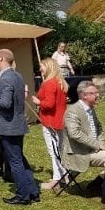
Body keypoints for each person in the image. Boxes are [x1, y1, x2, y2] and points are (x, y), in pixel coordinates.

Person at [0, 48, 39, 205]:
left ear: (3, 59)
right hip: (17, 124)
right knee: (20, 159)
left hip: (8, 126)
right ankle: (32, 191)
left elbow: (5, 103)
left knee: (15, 162)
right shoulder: (17, 75)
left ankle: (23, 195)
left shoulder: (5, 79)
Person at [32, 58, 68, 189]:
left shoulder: (49, 83)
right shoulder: (59, 82)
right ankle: (64, 175)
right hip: (59, 120)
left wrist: (38, 102)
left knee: (54, 150)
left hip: (51, 121)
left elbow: (49, 104)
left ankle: (57, 179)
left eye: (42, 66)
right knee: (60, 149)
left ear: (49, 67)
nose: (40, 69)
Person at [61, 81, 105, 180]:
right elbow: (74, 133)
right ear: (84, 96)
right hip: (78, 152)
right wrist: (96, 145)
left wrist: (101, 144)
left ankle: (100, 182)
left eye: (97, 92)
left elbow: (98, 128)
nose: (98, 95)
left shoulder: (90, 109)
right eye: (94, 93)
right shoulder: (73, 111)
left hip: (91, 149)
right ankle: (103, 184)